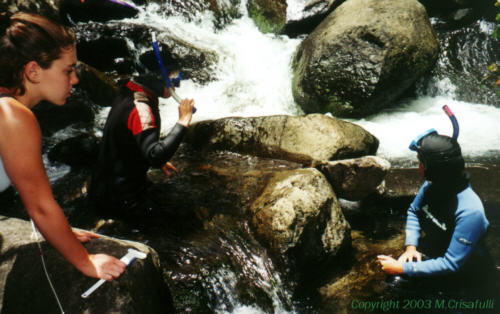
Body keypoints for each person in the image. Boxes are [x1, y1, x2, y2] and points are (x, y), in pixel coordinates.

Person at [0, 12, 126, 281]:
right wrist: (86, 261)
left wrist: (62, 234)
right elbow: (41, 207)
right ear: (33, 71)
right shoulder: (14, 116)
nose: (76, 79)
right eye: (67, 70)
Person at [377, 127, 494, 295]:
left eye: (420, 162)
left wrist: (402, 267)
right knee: (395, 285)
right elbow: (413, 212)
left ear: (434, 168)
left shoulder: (470, 211)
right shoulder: (432, 186)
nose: (419, 167)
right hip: (436, 251)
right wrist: (411, 247)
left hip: (464, 272)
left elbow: (451, 264)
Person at [88, 73, 195, 218]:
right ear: (157, 78)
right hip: (121, 200)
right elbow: (155, 156)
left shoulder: (129, 91)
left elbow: (126, 138)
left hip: (103, 188)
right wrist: (183, 121)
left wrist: (147, 153)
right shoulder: (141, 108)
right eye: (174, 80)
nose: (176, 86)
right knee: (187, 217)